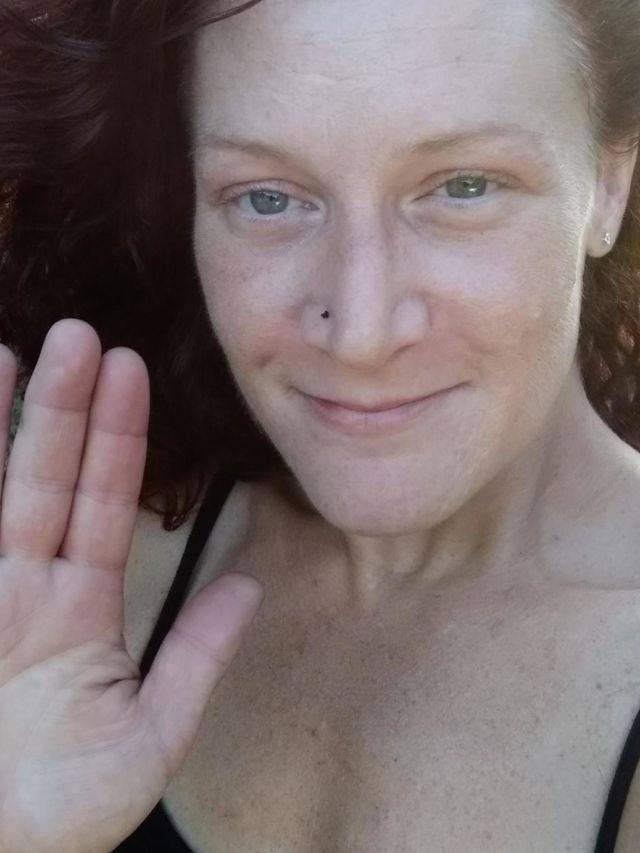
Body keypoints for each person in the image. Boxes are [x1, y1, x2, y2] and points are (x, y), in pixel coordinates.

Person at [1, 0, 640, 849]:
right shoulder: (67, 596)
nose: (361, 333)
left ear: (610, 182)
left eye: (465, 186)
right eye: (267, 197)